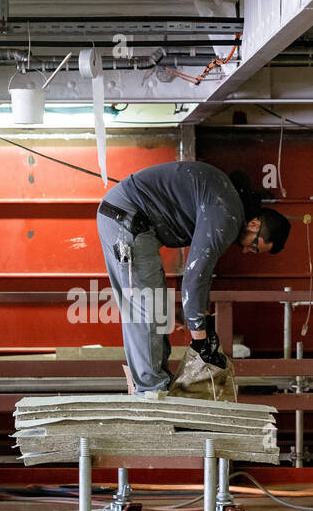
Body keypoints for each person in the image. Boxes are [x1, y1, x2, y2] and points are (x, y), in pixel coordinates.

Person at [95, 160, 290, 394]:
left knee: (156, 306)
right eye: (255, 247)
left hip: (132, 219)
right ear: (254, 224)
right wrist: (200, 339)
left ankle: (156, 384)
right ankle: (150, 392)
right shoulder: (226, 216)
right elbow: (194, 276)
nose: (248, 251)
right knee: (148, 306)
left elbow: (203, 273)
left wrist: (204, 321)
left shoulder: (228, 207)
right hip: (127, 218)